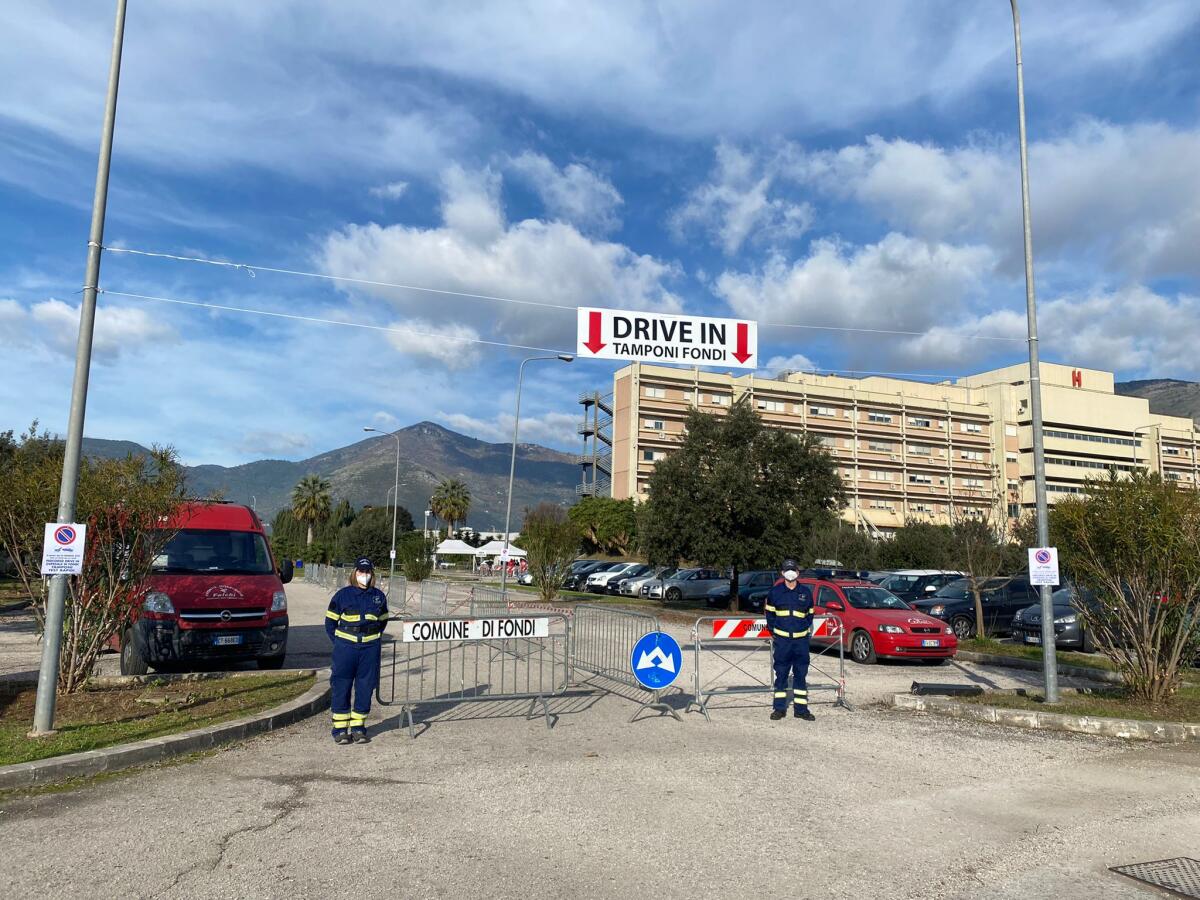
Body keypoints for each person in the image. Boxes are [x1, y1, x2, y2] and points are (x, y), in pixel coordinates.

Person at [325, 557, 389, 744]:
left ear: (372, 574)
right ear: (354, 573)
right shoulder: (342, 595)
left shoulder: (378, 596)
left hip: (369, 649)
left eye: (368, 572)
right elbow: (330, 623)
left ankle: (359, 728)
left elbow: (382, 621)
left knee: (365, 686)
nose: (364, 576)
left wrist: (370, 638)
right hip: (345, 649)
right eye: (361, 572)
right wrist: (339, 643)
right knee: (341, 686)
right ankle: (340, 729)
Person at [764, 559, 816, 721]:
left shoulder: (805, 592)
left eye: (793, 569)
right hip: (783, 642)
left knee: (801, 675)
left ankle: (801, 710)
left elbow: (810, 614)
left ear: (798, 573)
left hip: (801, 642)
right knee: (781, 675)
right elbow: (770, 614)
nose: (790, 572)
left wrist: (803, 629)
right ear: (782, 573)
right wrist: (775, 632)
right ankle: (779, 708)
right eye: (787, 570)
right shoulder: (775, 592)